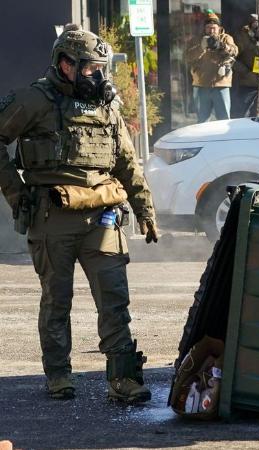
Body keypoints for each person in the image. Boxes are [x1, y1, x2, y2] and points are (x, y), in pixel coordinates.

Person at [0, 30, 158, 403]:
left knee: (114, 298)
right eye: (88, 68)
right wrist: (15, 193)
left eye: (100, 68)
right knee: (57, 300)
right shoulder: (34, 100)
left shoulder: (107, 105)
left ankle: (123, 379)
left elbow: (126, 162)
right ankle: (58, 374)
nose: (96, 76)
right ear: (65, 64)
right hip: (51, 216)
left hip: (102, 217)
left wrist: (144, 208)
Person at [186, 11, 238, 123]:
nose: (211, 30)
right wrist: (201, 47)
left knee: (224, 120)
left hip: (221, 84)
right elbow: (187, 57)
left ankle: (224, 140)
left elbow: (234, 51)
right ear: (204, 28)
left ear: (219, 28)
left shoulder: (226, 38)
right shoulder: (196, 40)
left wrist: (222, 46)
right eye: (208, 27)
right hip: (201, 85)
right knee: (202, 121)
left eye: (214, 27)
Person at [231, 13, 259, 118]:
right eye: (255, 24)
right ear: (250, 25)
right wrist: (246, 72)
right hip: (248, 84)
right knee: (243, 114)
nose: (258, 27)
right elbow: (232, 59)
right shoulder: (242, 37)